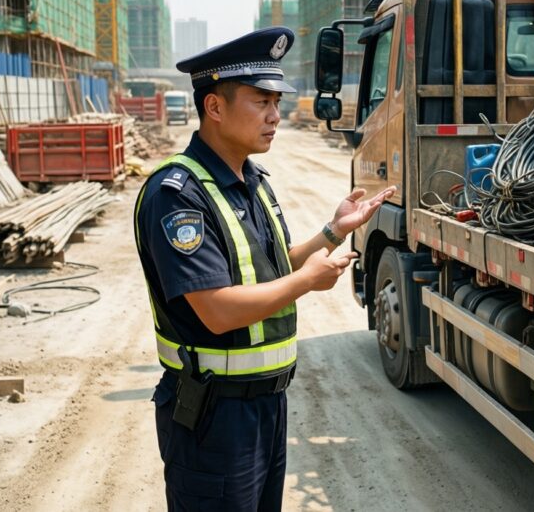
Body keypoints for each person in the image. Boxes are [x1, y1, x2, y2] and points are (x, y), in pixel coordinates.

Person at [134, 27, 395, 511]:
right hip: (214, 415)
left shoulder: (251, 179)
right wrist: (307, 283)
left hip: (266, 407)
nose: (276, 116)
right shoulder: (178, 196)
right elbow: (216, 309)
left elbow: (269, 269)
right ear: (215, 107)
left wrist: (333, 232)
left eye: (277, 102)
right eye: (262, 102)